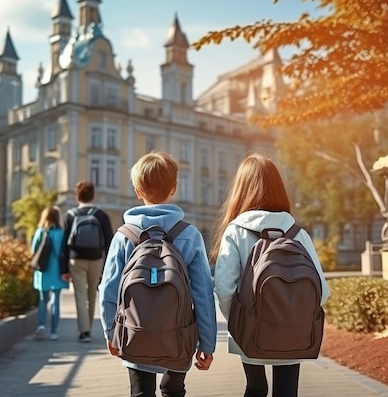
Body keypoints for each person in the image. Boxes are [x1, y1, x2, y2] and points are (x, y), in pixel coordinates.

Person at [210, 152, 330, 397]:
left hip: (250, 330)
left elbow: (224, 288)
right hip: (294, 331)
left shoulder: (236, 231)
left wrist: (239, 322)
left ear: (241, 190)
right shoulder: (297, 233)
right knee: (287, 391)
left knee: (255, 388)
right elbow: (322, 291)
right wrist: (295, 315)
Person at [98, 150, 217, 397]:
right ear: (174, 188)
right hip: (180, 336)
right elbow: (204, 293)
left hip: (134, 332)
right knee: (173, 391)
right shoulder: (190, 235)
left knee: (140, 393)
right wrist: (207, 343)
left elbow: (108, 288)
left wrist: (111, 332)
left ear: (138, 191)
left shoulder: (124, 235)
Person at [61, 180, 113, 342]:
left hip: (76, 260)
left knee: (80, 296)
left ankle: (84, 332)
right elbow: (109, 242)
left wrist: (64, 269)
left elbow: (64, 244)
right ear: (93, 196)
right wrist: (108, 266)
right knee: (92, 295)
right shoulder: (101, 215)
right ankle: (88, 328)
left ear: (77, 196)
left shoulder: (70, 215)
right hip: (95, 260)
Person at [31, 205, 69, 341]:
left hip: (43, 270)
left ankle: (41, 325)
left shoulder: (40, 232)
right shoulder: (62, 233)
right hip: (58, 270)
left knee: (42, 299)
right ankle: (54, 331)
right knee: (56, 301)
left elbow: (33, 250)